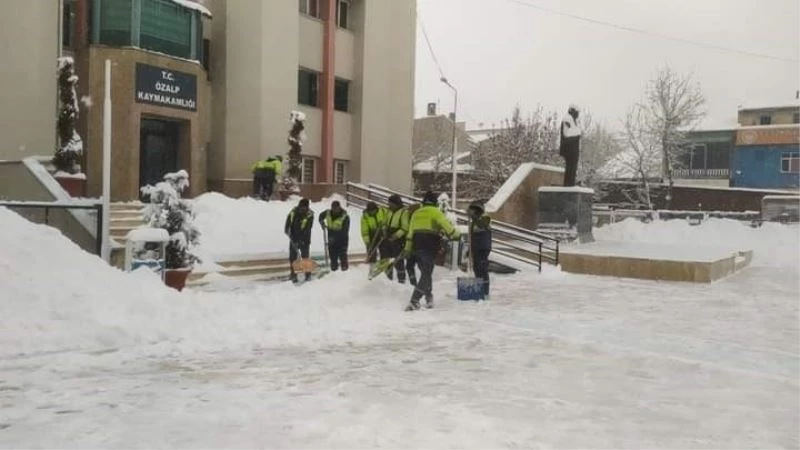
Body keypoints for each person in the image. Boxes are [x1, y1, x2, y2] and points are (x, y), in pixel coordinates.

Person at [403, 191, 460, 310]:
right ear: (435, 203)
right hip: (430, 245)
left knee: (425, 273)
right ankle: (414, 300)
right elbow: (448, 228)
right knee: (426, 274)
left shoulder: (416, 213)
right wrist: (456, 235)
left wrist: (407, 249)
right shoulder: (436, 212)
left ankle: (429, 297)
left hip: (416, 245)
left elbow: (410, 233)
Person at [284, 198, 314, 282]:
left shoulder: (309, 215)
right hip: (293, 238)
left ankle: (308, 275)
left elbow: (307, 228)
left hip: (305, 239)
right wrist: (287, 230)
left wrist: (300, 240)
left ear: (307, 207)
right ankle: (293, 274)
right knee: (292, 258)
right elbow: (288, 223)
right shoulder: (293, 212)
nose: (302, 209)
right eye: (301, 207)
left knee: (305, 257)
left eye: (304, 208)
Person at [468, 201, 492, 300]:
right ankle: (479, 290)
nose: (471, 212)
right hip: (475, 248)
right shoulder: (473, 221)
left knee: (482, 269)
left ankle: (485, 292)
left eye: (473, 210)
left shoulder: (485, 217)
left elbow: (482, 225)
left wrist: (474, 217)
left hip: (483, 247)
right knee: (476, 268)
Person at [383, 194, 410, 283]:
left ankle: (401, 280)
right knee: (387, 260)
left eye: (391, 203)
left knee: (398, 261)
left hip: (398, 240)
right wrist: (384, 230)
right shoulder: (389, 211)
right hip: (387, 239)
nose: (389, 205)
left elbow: (405, 228)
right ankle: (388, 279)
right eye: (389, 203)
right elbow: (385, 223)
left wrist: (396, 236)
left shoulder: (403, 212)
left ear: (396, 203)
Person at [318, 200, 350, 271]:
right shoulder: (328, 213)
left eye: (336, 208)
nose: (335, 210)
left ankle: (345, 273)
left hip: (342, 240)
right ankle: (334, 273)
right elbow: (320, 216)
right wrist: (322, 223)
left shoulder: (345, 217)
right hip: (331, 239)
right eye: (333, 208)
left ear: (339, 208)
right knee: (333, 257)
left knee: (343, 257)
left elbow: (345, 231)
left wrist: (335, 238)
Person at [559, 105, 582, 187]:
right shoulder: (567, 119)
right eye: (577, 112)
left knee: (573, 169)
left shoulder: (574, 120)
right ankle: (568, 185)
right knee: (570, 168)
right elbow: (567, 133)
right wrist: (577, 132)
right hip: (569, 149)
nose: (578, 114)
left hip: (574, 150)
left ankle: (571, 184)